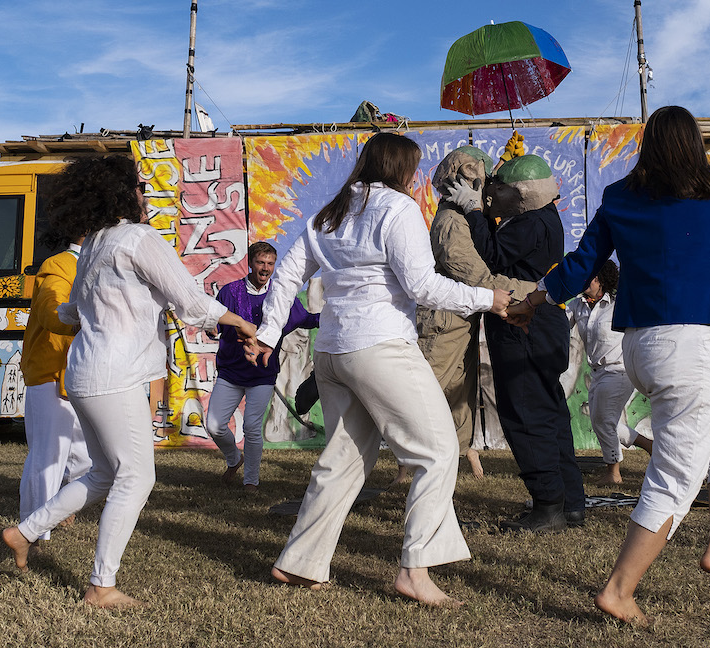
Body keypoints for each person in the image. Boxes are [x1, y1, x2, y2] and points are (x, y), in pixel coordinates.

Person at [507, 105, 710, 626]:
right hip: (686, 347)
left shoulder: (621, 196)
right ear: (694, 144)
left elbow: (581, 264)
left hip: (639, 346)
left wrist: (533, 299)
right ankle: (619, 590)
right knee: (676, 478)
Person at [252, 133, 511, 606]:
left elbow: (287, 274)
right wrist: (486, 299)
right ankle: (415, 572)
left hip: (332, 351)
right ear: (400, 169)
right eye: (413, 168)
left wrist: (269, 333)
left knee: (343, 459)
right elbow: (422, 285)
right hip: (379, 346)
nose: (416, 177)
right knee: (437, 451)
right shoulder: (398, 208)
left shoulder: (329, 213)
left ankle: (298, 562)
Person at [2, 155, 257, 608]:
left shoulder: (96, 244)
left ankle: (25, 531)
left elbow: (71, 311)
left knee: (104, 474)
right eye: (139, 187)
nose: (144, 194)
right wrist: (240, 321)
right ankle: (101, 587)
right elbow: (190, 299)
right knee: (137, 477)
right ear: (123, 193)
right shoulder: (138, 238)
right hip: (113, 375)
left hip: (84, 373)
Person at [458, 153, 586, 533]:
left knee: (527, 413)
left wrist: (473, 213)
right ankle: (570, 503)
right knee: (549, 412)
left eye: (501, 187)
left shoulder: (531, 221)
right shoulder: (543, 216)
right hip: (542, 319)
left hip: (524, 321)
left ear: (523, 194)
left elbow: (492, 255)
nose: (492, 192)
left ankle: (548, 506)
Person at [417, 146, 538, 479]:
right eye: (485, 179)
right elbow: (479, 279)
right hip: (441, 323)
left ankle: (462, 455)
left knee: (460, 391)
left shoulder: (466, 218)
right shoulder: (451, 223)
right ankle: (407, 465)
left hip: (461, 319)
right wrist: (536, 289)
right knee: (427, 393)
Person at [206, 241, 319, 492]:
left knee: (252, 427)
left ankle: (251, 481)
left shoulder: (280, 295)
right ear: (250, 263)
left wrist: (332, 318)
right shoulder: (230, 292)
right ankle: (234, 459)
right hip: (231, 371)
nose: (265, 268)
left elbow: (304, 318)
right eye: (260, 262)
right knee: (214, 425)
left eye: (270, 263)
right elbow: (215, 323)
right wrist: (213, 328)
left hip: (262, 374)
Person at [18, 235, 91, 543]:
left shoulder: (95, 263)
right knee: (48, 458)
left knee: (86, 455)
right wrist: (85, 319)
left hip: (79, 372)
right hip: (49, 371)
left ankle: (60, 506)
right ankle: (33, 532)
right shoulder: (59, 265)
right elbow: (51, 310)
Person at [565, 260, 638, 485]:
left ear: (602, 280)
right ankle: (649, 446)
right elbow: (559, 322)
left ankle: (613, 473)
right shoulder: (577, 305)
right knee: (601, 422)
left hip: (619, 370)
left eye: (593, 277)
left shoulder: (619, 303)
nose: (587, 281)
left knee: (604, 421)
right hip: (597, 372)